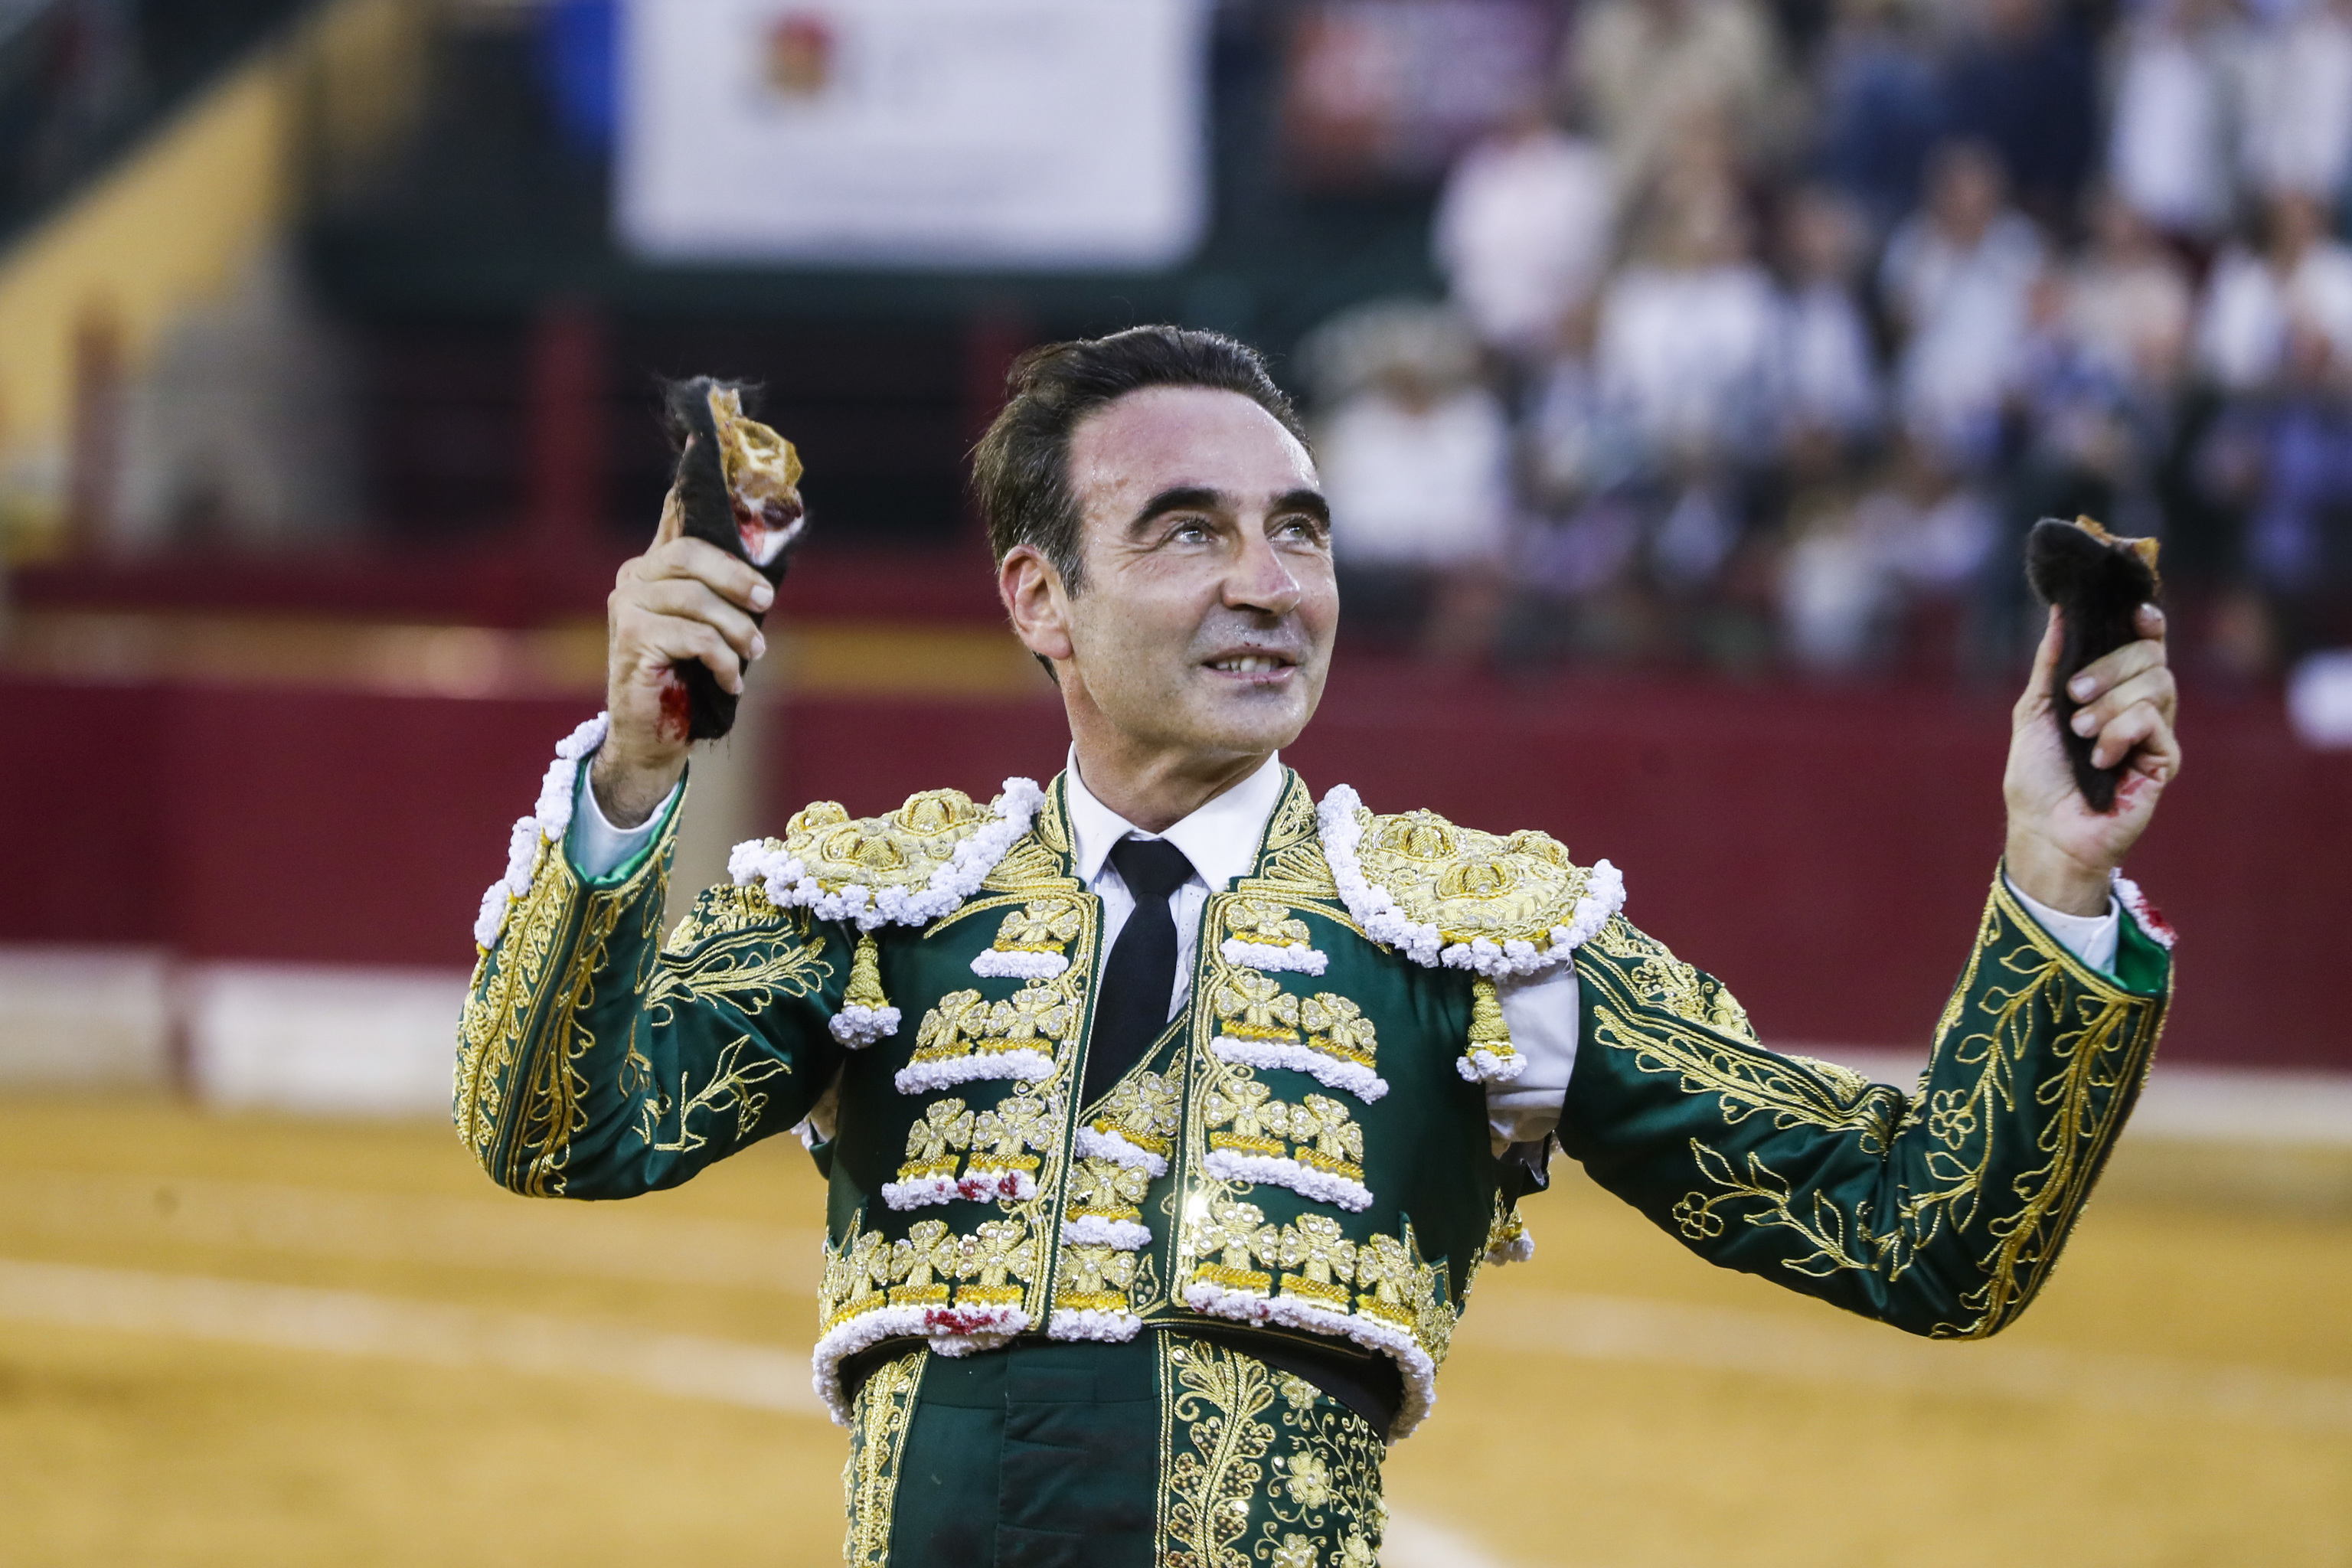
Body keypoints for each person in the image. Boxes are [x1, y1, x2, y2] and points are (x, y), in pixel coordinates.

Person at [456, 327, 2180, 1566]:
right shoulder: (883, 911)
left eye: (1299, 531)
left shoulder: (1472, 942)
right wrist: (633, 774)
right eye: (1188, 530)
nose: (1269, 583)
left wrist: (2055, 878)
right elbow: (553, 1131)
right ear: (1039, 597)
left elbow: (1926, 1235)